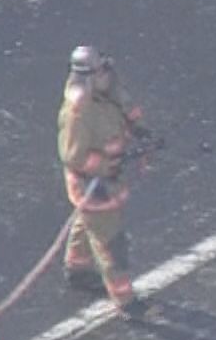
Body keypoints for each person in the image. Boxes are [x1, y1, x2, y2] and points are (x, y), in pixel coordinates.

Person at [57, 46, 149, 313]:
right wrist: (108, 165)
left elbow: (125, 108)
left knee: (87, 223)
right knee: (110, 243)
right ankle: (126, 301)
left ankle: (77, 268)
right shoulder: (78, 112)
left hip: (110, 179)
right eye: (101, 71)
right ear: (88, 77)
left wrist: (141, 132)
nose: (107, 74)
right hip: (94, 187)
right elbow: (73, 156)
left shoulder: (106, 90)